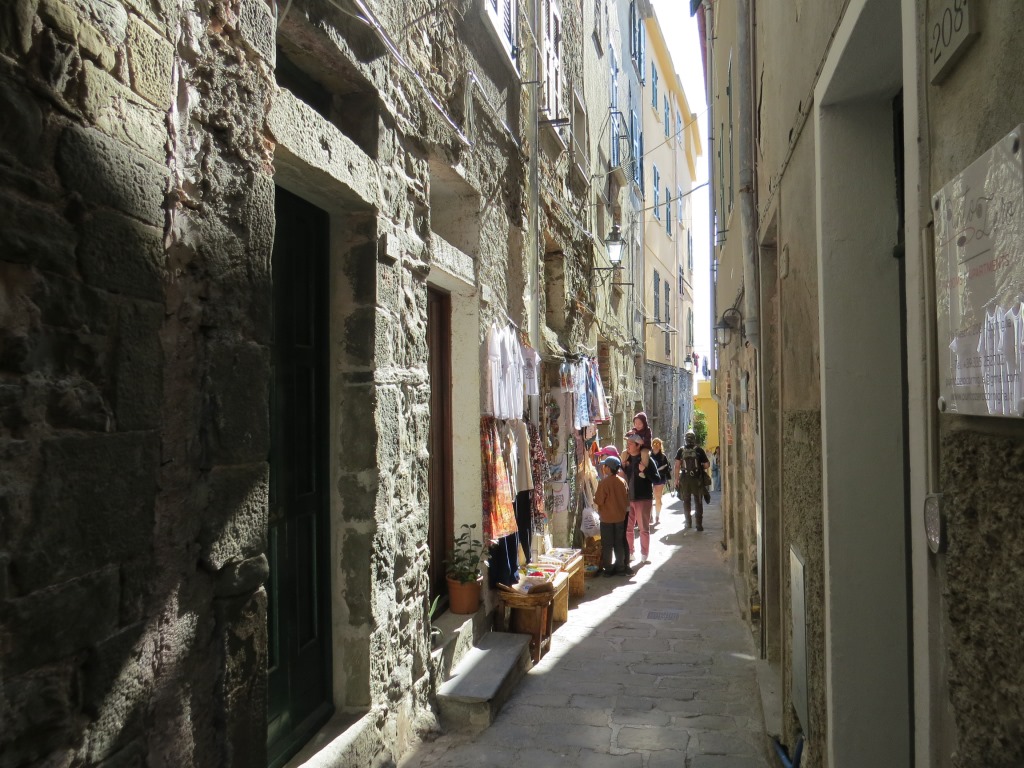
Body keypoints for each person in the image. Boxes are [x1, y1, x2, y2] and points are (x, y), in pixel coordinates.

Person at [621, 432, 657, 563]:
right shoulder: (627, 460)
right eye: (627, 443)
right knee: (628, 529)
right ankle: (630, 552)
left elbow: (656, 479)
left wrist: (645, 470)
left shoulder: (647, 460)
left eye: (631, 444)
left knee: (643, 529)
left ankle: (644, 554)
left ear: (638, 445)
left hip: (643, 499)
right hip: (629, 499)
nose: (628, 446)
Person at [593, 456, 631, 576]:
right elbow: (627, 499)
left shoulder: (604, 483)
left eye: (605, 466)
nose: (603, 468)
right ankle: (620, 568)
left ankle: (608, 569)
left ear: (608, 468)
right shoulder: (622, 481)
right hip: (620, 517)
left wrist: (594, 498)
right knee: (619, 543)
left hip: (607, 519)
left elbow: (599, 500)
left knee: (607, 544)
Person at [674, 430, 710, 531]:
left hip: (685, 478)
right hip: (697, 478)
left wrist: (676, 479)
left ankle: (688, 522)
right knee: (698, 501)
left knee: (686, 500)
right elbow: (707, 465)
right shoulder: (699, 450)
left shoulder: (681, 450)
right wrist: (700, 465)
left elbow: (677, 466)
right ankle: (699, 524)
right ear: (694, 439)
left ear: (685, 439)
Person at [650, 437, 671, 525]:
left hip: (660, 478)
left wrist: (660, 470)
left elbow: (667, 468)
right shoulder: (649, 455)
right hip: (650, 478)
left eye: (658, 444)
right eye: (654, 443)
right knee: (649, 498)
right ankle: (650, 516)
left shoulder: (663, 457)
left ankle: (657, 516)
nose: (656, 445)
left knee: (658, 498)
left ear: (660, 445)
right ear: (652, 445)